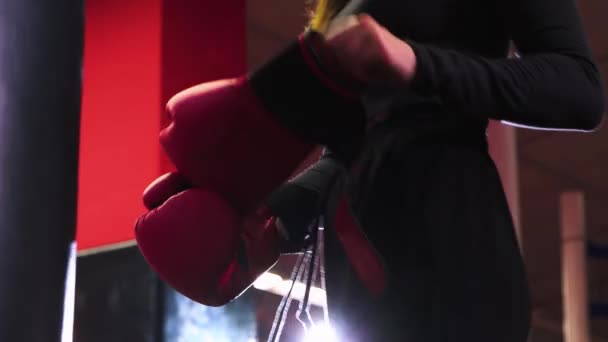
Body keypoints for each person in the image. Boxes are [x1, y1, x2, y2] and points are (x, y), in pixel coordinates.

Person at [269, 0, 605, 341]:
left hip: (451, 257)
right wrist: (274, 220)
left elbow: (580, 89)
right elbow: (349, 147)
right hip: (359, 280)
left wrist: (416, 62)